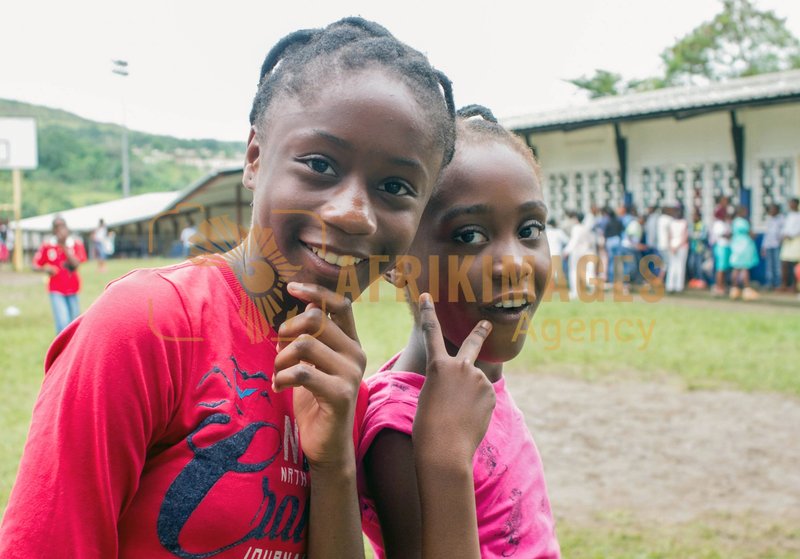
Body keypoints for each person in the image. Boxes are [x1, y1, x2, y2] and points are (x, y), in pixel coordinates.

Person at [0, 18, 457, 559]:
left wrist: (333, 463)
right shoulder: (148, 327)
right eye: (319, 164)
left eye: (395, 186)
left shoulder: (339, 380)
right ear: (254, 158)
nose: (353, 213)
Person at [358, 106, 560, 558]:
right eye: (469, 236)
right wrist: (444, 457)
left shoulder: (477, 377)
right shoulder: (402, 431)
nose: (514, 263)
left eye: (529, 229)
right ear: (395, 259)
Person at [31, 216, 88, 334]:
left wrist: (63, 246)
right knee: (63, 322)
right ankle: (62, 346)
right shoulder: (47, 246)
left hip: (73, 288)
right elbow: (34, 265)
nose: (60, 230)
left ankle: (73, 345)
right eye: (57, 227)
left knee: (75, 322)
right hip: (56, 289)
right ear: (53, 230)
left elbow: (76, 264)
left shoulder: (75, 244)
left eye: (62, 226)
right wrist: (46, 268)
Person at [729, 205, 759, 300]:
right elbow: (751, 234)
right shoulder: (744, 222)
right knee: (745, 268)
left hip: (736, 247)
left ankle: (734, 290)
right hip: (745, 247)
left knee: (736, 268)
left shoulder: (734, 222)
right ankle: (746, 290)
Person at [563, 210, 595, 299]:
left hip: (576, 252)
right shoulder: (586, 228)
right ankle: (592, 287)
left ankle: (575, 292)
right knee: (588, 271)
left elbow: (574, 240)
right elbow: (592, 241)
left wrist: (567, 251)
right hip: (587, 251)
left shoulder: (576, 228)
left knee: (574, 271)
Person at [709, 208, 733, 296]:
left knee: (724, 269)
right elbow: (722, 235)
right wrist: (729, 235)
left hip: (726, 247)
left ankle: (723, 286)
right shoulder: (718, 224)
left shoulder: (725, 223)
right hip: (721, 247)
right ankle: (719, 287)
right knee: (720, 268)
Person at [760, 203, 784, 291]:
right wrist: (763, 247)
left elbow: (782, 232)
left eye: (773, 209)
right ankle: (769, 283)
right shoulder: (768, 219)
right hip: (768, 245)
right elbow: (766, 235)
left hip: (777, 245)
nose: (771, 211)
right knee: (769, 266)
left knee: (777, 265)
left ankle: (778, 284)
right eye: (770, 209)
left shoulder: (781, 219)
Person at [666, 205, 689, 293]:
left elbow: (670, 236)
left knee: (674, 266)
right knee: (678, 266)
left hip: (675, 246)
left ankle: (672, 286)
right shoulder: (683, 222)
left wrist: (672, 246)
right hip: (680, 246)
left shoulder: (673, 223)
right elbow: (684, 237)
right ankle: (676, 286)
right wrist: (676, 247)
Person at [779, 197, 800, 293]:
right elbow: (784, 228)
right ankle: (784, 285)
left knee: (796, 264)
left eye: (792, 203)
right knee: (784, 263)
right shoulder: (788, 216)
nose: (790, 205)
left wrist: (790, 235)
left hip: (796, 241)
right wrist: (783, 235)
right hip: (786, 242)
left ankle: (794, 286)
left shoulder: (798, 216)